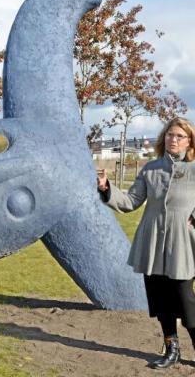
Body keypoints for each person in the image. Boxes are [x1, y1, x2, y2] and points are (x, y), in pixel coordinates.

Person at [98, 117, 195, 369]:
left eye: (179, 136)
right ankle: (171, 348)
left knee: (186, 301)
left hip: (182, 244)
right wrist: (107, 188)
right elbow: (131, 200)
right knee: (160, 300)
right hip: (151, 243)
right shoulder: (150, 169)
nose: (173, 140)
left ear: (189, 141)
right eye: (170, 135)